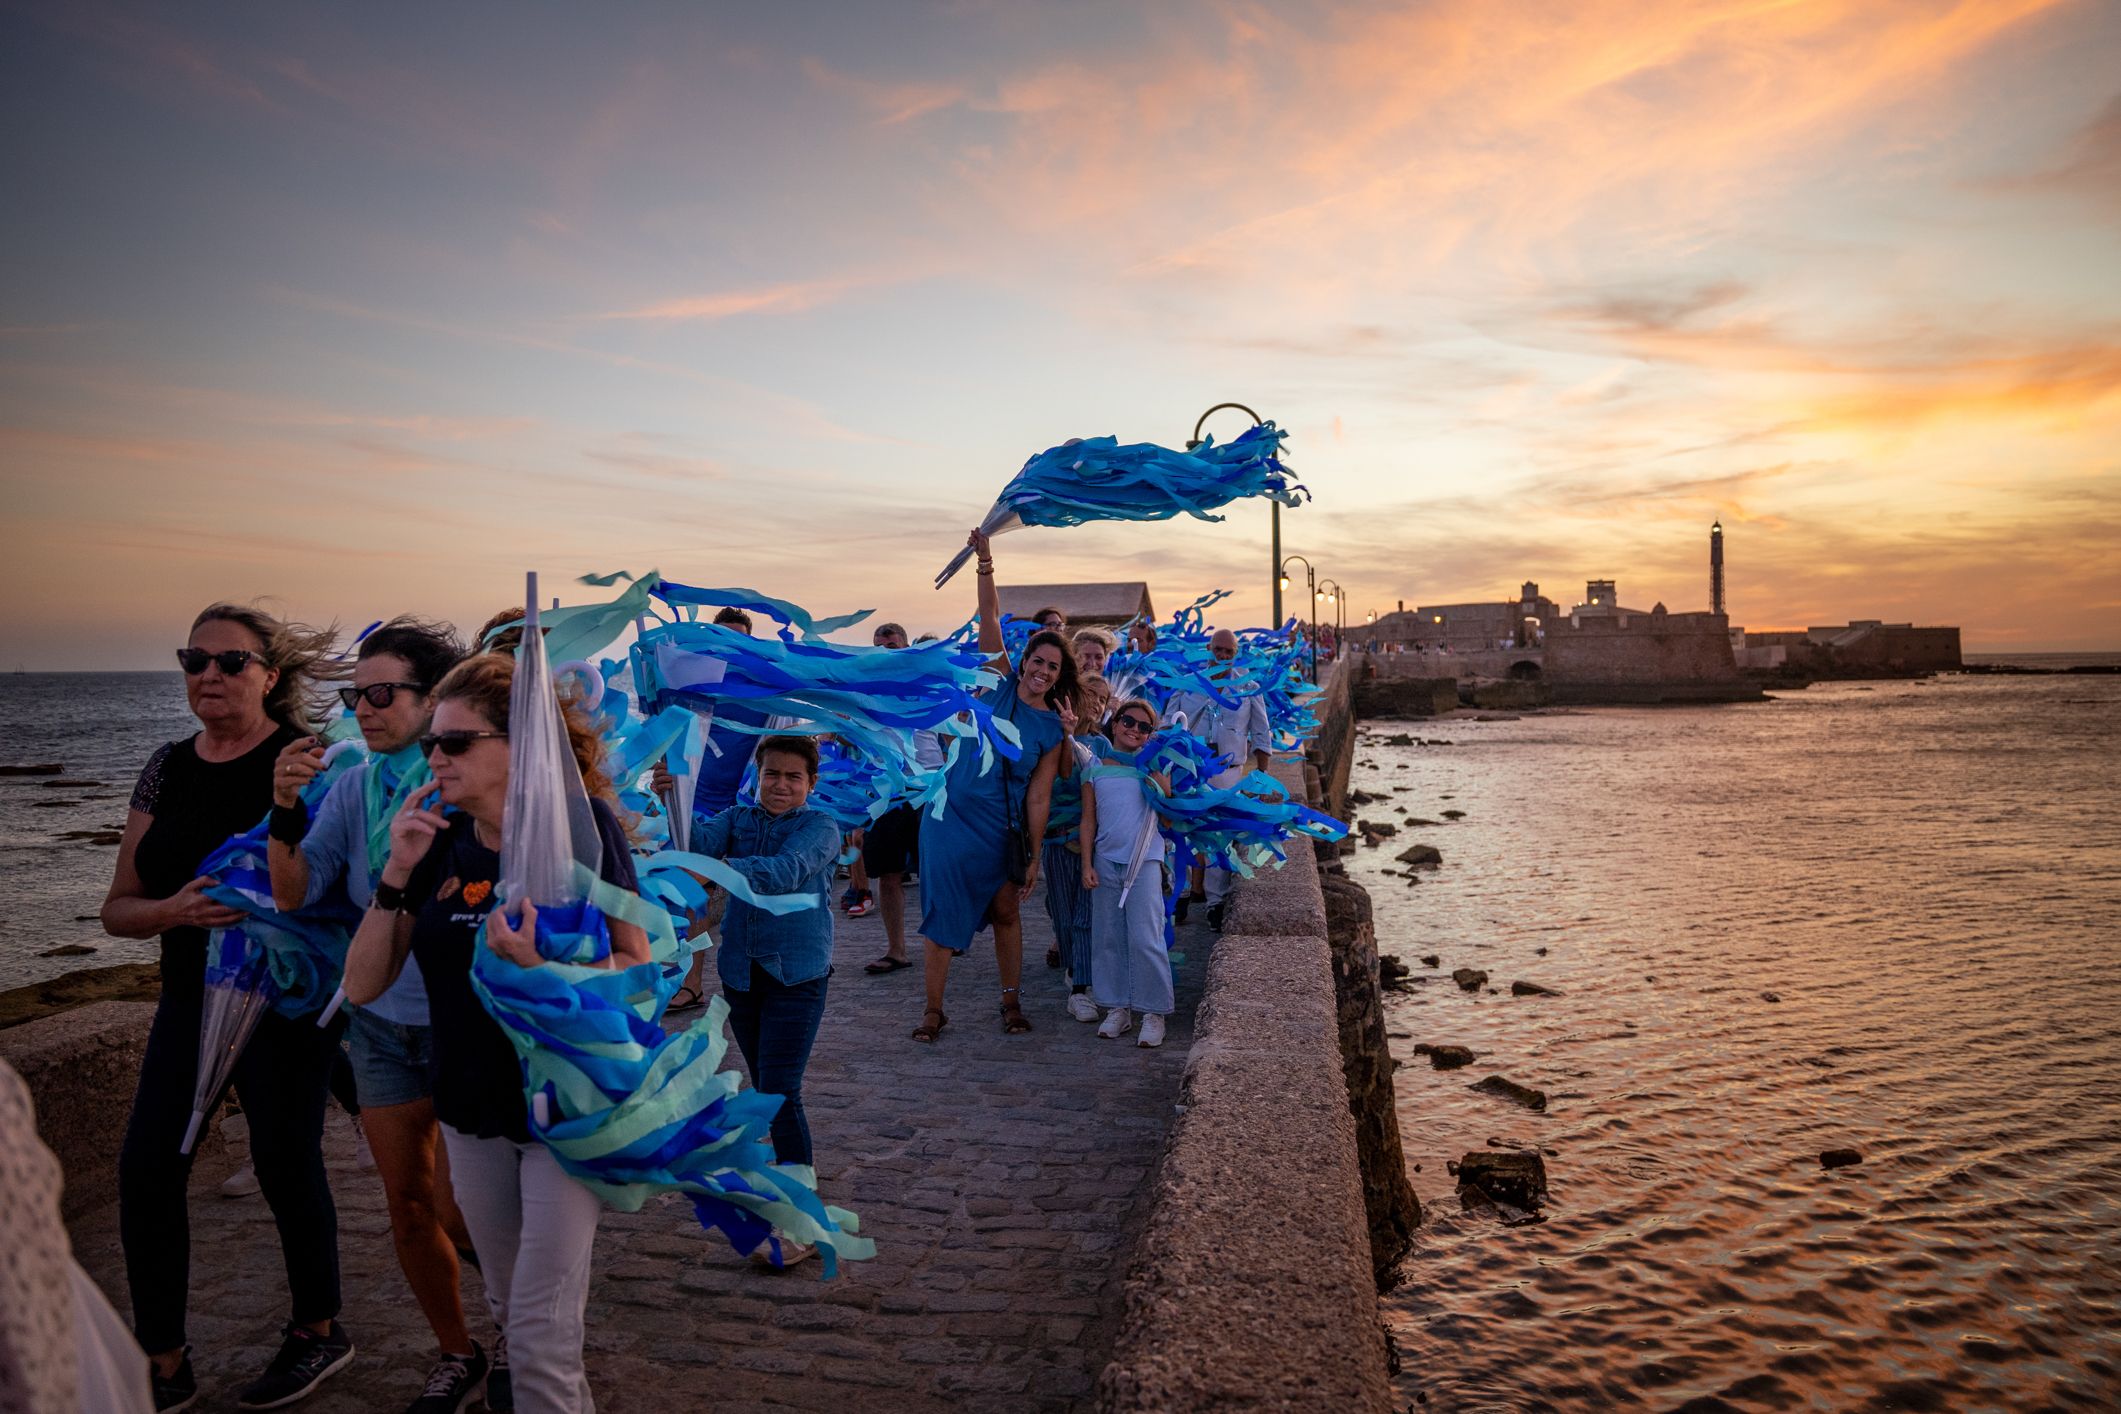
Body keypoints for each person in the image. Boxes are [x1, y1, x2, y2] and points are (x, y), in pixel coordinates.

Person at [344, 652, 651, 1414]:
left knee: (544, 1341)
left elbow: (634, 968)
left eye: (456, 743)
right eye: (430, 745)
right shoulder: (438, 840)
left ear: (521, 745)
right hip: (469, 1116)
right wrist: (395, 872)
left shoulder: (583, 832)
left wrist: (542, 967)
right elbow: (361, 983)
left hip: (561, 1116)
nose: (436, 758)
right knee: (515, 1315)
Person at [103, 604, 354, 1412]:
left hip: (287, 1003)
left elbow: (334, 888)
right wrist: (173, 912)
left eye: (230, 662)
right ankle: (164, 1359)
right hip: (188, 994)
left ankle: (318, 1331)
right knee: (147, 1168)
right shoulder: (165, 767)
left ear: (270, 678)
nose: (208, 675)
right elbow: (118, 908)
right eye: (193, 660)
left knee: (286, 1162)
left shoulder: (306, 761)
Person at [263, 618, 489, 1414]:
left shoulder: (473, 795)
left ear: (434, 701)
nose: (362, 709)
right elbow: (296, 890)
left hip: (470, 1027)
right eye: (354, 695)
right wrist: (286, 806)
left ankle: (525, 1323)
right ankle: (459, 1354)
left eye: (381, 693)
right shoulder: (357, 789)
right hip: (381, 1030)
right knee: (409, 1205)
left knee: (471, 1214)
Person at [685, 735, 842, 1268]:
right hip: (742, 976)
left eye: (792, 777)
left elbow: (783, 874)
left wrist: (719, 867)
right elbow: (693, 844)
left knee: (779, 1092)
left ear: (810, 784)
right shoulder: (736, 817)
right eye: (771, 774)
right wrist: (672, 796)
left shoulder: (820, 828)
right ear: (757, 776)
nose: (780, 785)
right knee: (766, 1087)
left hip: (797, 975)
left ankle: (801, 1219)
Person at [911, 530, 1074, 1042]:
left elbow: (1040, 794)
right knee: (941, 915)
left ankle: (1011, 1003)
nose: (1042, 671)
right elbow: (988, 618)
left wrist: (1032, 855)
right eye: (1037, 661)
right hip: (947, 822)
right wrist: (985, 560)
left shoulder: (1051, 727)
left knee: (1006, 911)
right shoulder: (994, 681)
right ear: (1022, 662)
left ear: (1058, 674)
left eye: (1053, 666)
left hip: (1000, 829)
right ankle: (933, 1011)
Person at [660, 606, 772, 1013]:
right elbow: (665, 739)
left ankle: (748, 981)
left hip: (746, 805)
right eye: (718, 638)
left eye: (736, 639)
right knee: (688, 895)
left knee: (751, 898)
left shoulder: (763, 692)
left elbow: (784, 738)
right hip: (693, 805)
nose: (726, 648)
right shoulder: (690, 688)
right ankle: (689, 983)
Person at [1079, 698, 1176, 1047]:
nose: (1134, 729)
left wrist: (1160, 784)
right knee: (1107, 937)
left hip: (1144, 862)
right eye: (1128, 722)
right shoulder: (1092, 768)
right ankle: (1117, 1007)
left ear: (1150, 735)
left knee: (1146, 936)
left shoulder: (1152, 769)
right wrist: (1087, 863)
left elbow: (1167, 819)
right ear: (1116, 724)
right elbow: (1088, 819)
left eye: (1144, 727)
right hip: (1105, 861)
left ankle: (1154, 1012)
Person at [1165, 629, 1272, 931]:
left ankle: (1215, 903)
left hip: (1229, 772)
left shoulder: (1249, 688)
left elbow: (1262, 733)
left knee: (1218, 839)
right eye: (1218, 650)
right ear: (1208, 648)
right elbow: (1166, 725)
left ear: (1236, 654)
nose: (1222, 656)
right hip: (1189, 772)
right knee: (1182, 836)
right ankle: (1179, 896)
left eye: (1229, 652)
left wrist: (1262, 775)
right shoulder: (1188, 686)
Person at [856, 623, 943, 977]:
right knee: (887, 873)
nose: (885, 650)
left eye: (891, 644)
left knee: (936, 868)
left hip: (928, 784)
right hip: (886, 789)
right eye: (879, 646)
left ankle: (945, 936)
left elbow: (956, 729)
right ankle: (897, 949)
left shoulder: (929, 682)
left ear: (906, 646)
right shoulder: (865, 688)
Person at [1042, 674, 1111, 1018]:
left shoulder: (1103, 747)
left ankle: (1082, 987)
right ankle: (1075, 969)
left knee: (1086, 916)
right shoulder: (1052, 739)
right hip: (1055, 841)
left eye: (1104, 699)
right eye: (1092, 695)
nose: (1097, 703)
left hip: (1091, 844)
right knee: (1064, 917)